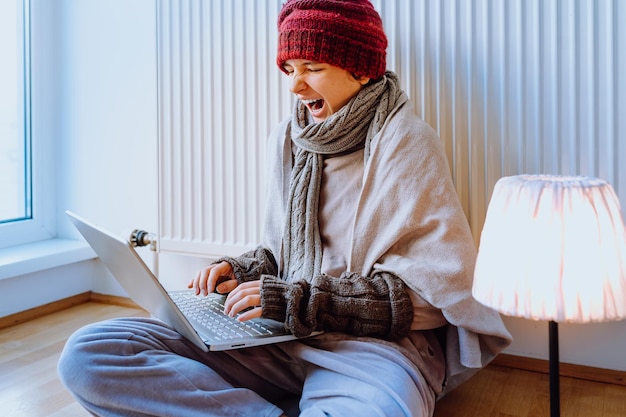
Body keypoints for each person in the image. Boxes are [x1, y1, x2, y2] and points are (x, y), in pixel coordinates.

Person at [58, 1, 512, 416]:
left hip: (371, 348)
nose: (296, 85)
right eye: (289, 68)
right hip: (276, 336)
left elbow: (431, 301)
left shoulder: (406, 142)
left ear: (361, 70)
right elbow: (283, 256)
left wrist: (304, 301)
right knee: (89, 354)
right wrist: (244, 271)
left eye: (312, 67)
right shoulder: (289, 138)